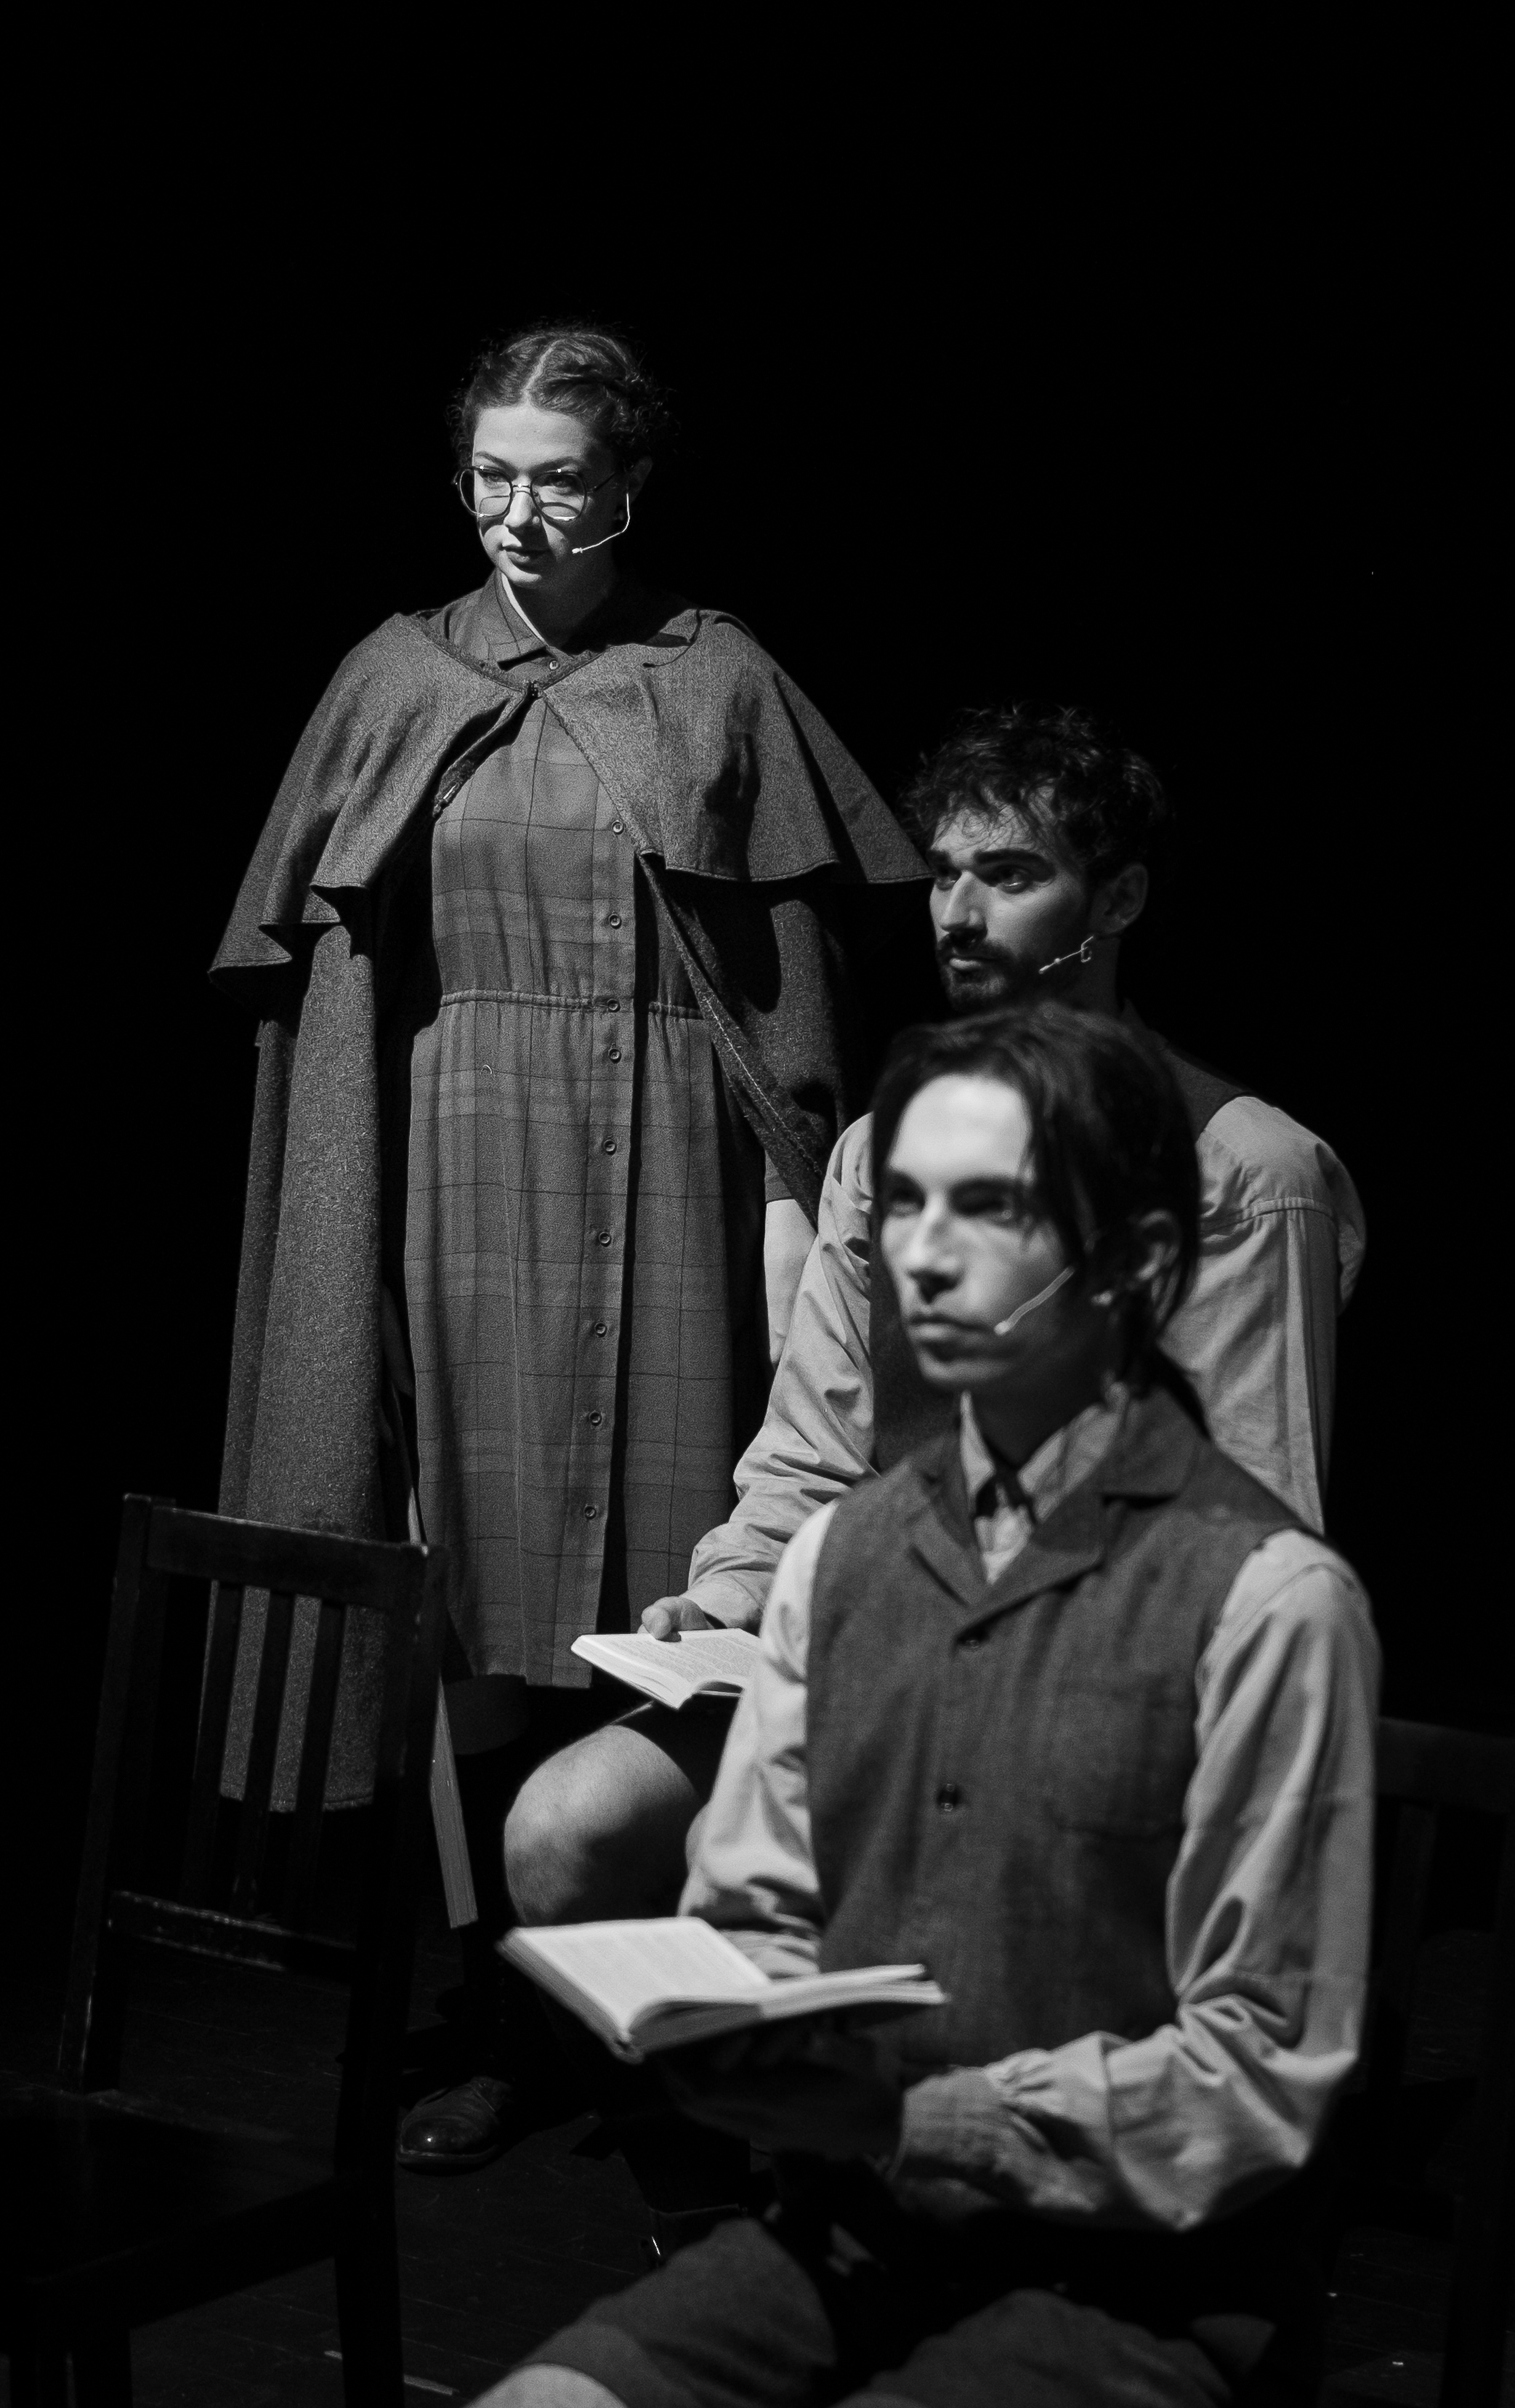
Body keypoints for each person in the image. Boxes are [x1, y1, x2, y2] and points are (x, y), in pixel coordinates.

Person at [342, 1006, 1378, 2408]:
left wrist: (932, 2113)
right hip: (863, 2226)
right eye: (901, 1197)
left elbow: (1261, 2077)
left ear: (1128, 1255)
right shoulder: (846, 1559)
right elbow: (766, 1899)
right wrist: (720, 2017)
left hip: (1153, 2295)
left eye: (987, 1203)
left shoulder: (1265, 1593)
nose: (920, 1250)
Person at [212, 323, 924, 2171]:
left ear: (629, 485)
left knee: (674, 1610)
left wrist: (799, 1246)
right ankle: (505, 2016)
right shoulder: (397, 674)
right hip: (456, 1179)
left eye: (557, 479)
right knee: (458, 1610)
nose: (518, 515)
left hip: (670, 1180)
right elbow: (339, 988)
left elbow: (783, 1023)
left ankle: (687, 2017)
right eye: (488, 477)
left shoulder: (719, 681)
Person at [506, 705, 1367, 1950]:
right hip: (880, 1656)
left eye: (1009, 876)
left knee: (758, 1876)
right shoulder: (880, 1154)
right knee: (563, 1830)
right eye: (944, 875)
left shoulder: (1239, 1167)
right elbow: (814, 1456)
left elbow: (1253, 1520)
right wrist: (731, 1602)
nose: (957, 915)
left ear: (1118, 899)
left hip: (1094, 1689)